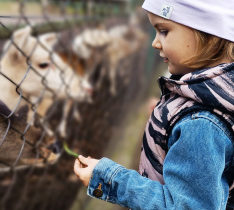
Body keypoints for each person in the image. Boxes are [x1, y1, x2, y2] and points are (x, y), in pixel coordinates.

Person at [73, 0, 234, 209]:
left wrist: (110, 179)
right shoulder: (211, 97)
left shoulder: (201, 124)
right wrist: (170, 118)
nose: (155, 43)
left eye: (164, 31)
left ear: (208, 35)